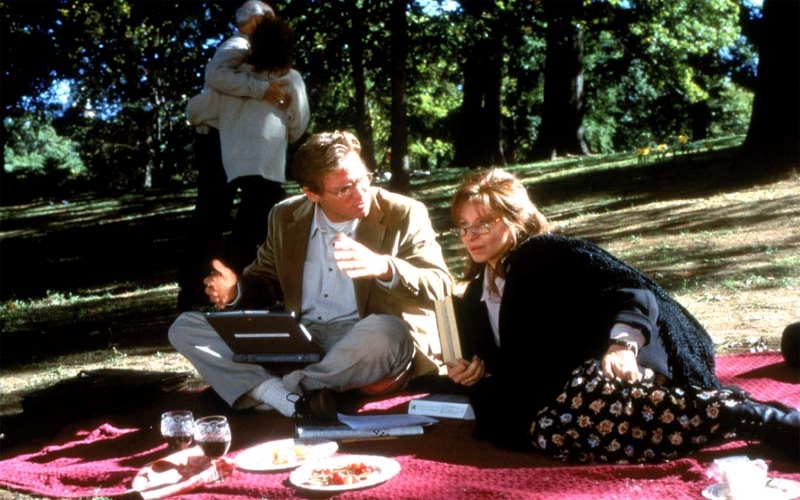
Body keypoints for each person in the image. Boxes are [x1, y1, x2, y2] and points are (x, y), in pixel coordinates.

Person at [445, 168, 799, 463]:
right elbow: (514, 367)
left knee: (593, 401)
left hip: (640, 347)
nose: (470, 236)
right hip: (567, 390)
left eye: (483, 224)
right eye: (463, 226)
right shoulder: (477, 294)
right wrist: (472, 372)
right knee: (551, 428)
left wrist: (622, 347)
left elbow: (633, 292)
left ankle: (751, 417)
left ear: (516, 219)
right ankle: (728, 413)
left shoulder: (544, 253)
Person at [169, 130, 454, 420]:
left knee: (389, 332)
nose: (361, 193)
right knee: (185, 327)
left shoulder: (405, 213)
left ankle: (270, 393)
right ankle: (298, 395)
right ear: (311, 193)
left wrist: (385, 267)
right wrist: (235, 291)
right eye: (345, 189)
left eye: (364, 178)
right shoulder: (285, 215)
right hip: (298, 342)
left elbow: (441, 285)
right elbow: (264, 279)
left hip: (361, 342)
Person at [178, 1, 310, 310]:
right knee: (249, 223)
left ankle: (210, 288)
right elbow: (298, 124)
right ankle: (228, 286)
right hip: (249, 160)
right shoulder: (238, 53)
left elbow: (197, 108)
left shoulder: (237, 78)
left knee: (221, 220)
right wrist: (263, 95)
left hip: (232, 158)